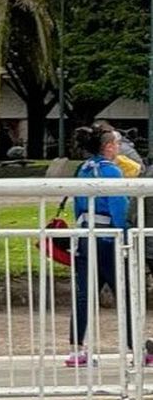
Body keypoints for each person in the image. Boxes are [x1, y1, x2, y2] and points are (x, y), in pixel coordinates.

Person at [63, 125, 143, 368]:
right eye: (116, 144)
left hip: (85, 236)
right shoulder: (111, 171)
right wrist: (125, 234)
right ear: (109, 147)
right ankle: (135, 348)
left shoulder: (84, 169)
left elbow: (78, 205)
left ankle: (77, 349)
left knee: (84, 294)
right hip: (109, 238)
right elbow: (118, 206)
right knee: (127, 293)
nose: (119, 148)